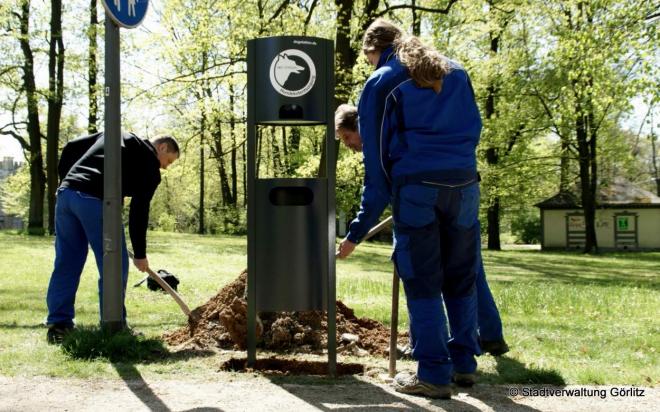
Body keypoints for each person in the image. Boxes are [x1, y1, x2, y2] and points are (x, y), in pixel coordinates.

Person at [335, 19, 482, 399]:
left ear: (373, 50)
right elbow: (474, 128)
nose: (368, 64)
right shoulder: (457, 70)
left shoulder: (383, 82)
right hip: (465, 186)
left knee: (422, 279)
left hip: (418, 190)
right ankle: (464, 365)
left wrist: (357, 229)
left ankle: (433, 373)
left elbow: (377, 164)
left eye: (367, 57)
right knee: (461, 276)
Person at [335, 104, 508, 356]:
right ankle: (490, 337)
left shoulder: (382, 141)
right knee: (468, 273)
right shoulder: (426, 127)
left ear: (359, 126)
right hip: (461, 193)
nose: (348, 145)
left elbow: (376, 192)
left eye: (348, 137)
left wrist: (353, 236)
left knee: (420, 274)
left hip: (423, 209)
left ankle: (425, 348)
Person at [45, 132, 179, 343]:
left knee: (67, 263)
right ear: (161, 147)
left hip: (66, 196)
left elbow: (71, 146)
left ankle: (59, 326)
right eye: (168, 161)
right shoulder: (150, 166)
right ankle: (114, 327)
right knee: (115, 264)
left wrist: (65, 182)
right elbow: (139, 212)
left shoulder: (115, 134)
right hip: (95, 201)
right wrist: (140, 255)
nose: (165, 167)